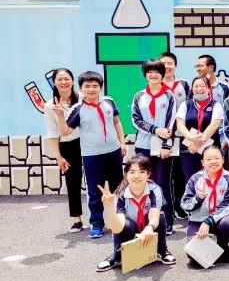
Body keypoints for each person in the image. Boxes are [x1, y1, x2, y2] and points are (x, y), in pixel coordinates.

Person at [53, 71, 127, 239]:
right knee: (94, 191)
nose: (91, 89)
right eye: (87, 86)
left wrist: (122, 142)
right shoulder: (77, 109)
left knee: (119, 188)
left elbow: (117, 122)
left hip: (114, 152)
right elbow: (65, 132)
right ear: (80, 88)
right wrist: (60, 116)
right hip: (92, 155)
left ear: (100, 87)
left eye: (95, 86)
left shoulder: (109, 102)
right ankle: (97, 224)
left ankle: (121, 220)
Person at [96, 154, 176, 272]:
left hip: (148, 226)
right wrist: (109, 207)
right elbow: (117, 228)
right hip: (131, 228)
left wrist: (149, 228)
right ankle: (117, 256)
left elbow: (154, 217)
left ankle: (162, 250)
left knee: (160, 217)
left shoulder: (155, 189)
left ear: (148, 174)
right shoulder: (120, 194)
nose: (137, 176)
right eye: (132, 172)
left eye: (142, 171)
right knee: (125, 223)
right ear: (126, 175)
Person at [131, 59, 177, 235]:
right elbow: (135, 120)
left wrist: (166, 145)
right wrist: (155, 130)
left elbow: (171, 122)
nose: (153, 75)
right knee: (144, 183)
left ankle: (167, 220)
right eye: (149, 71)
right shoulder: (139, 96)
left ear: (162, 74)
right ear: (145, 74)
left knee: (163, 183)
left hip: (162, 148)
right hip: (143, 145)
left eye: (157, 71)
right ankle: (146, 219)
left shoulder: (169, 96)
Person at [181, 146, 229, 264]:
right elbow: (185, 204)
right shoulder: (195, 178)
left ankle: (220, 248)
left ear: (223, 160)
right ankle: (219, 253)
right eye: (209, 159)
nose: (213, 161)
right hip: (198, 220)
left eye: (216, 158)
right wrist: (198, 198)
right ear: (203, 162)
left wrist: (208, 221)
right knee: (194, 258)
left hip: (219, 220)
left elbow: (228, 205)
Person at [43, 68, 84, 232]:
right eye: (59, 79)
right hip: (68, 145)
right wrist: (58, 156)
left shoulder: (82, 98)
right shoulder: (50, 105)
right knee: (72, 182)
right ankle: (77, 219)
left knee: (96, 180)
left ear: (73, 81)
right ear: (54, 82)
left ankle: (99, 219)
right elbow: (53, 133)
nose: (63, 82)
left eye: (67, 78)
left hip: (88, 142)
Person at [160, 51, 191, 220]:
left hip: (181, 134)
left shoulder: (184, 85)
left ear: (176, 66)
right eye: (163, 63)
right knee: (165, 173)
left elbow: (190, 107)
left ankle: (179, 206)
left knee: (180, 172)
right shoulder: (155, 85)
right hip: (163, 136)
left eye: (170, 63)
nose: (167, 66)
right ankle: (166, 209)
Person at [176, 76, 223, 182]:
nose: (199, 89)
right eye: (196, 86)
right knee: (191, 180)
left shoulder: (216, 105)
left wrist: (198, 143)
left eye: (202, 86)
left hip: (210, 150)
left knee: (210, 179)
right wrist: (191, 139)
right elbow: (180, 124)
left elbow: (214, 125)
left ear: (209, 88)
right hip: (188, 148)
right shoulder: (186, 104)